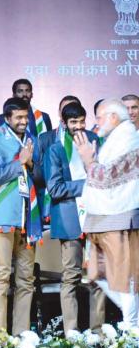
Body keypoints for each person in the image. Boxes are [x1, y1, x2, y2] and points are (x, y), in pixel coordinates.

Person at [74, 99, 139, 326]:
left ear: (113, 117)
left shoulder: (130, 138)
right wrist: (89, 160)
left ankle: (133, 328)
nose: (97, 122)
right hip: (102, 219)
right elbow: (98, 176)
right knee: (97, 274)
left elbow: (107, 176)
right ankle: (134, 321)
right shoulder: (115, 138)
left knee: (125, 279)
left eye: (100, 117)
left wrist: (88, 159)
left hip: (119, 218)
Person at [0, 97, 42, 335]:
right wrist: (20, 163)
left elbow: (38, 176)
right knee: (2, 275)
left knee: (26, 279)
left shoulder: (31, 140)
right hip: (2, 217)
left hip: (27, 218)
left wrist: (32, 164)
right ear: (7, 118)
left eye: (25, 117)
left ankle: (22, 335)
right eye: (18, 117)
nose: (23, 121)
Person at [45, 102, 104, 333]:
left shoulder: (96, 142)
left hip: (97, 218)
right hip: (70, 220)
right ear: (64, 123)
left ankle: (97, 332)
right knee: (70, 277)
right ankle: (72, 333)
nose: (78, 127)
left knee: (97, 278)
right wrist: (87, 184)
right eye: (73, 123)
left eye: (81, 121)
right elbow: (55, 189)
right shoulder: (56, 149)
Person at [34, 95, 82, 223]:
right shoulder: (45, 139)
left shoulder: (90, 138)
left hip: (83, 201)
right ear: (59, 113)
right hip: (51, 202)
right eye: (65, 109)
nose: (69, 112)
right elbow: (38, 175)